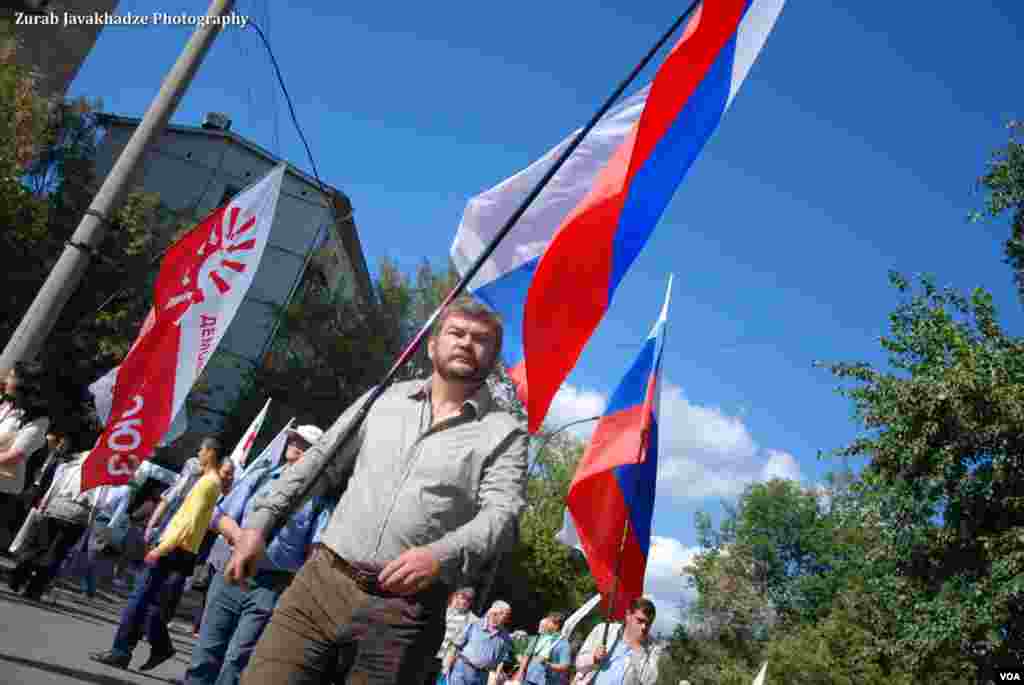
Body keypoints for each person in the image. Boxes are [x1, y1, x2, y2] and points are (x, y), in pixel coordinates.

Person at [225, 296, 529, 684]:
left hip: (404, 615)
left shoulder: (504, 433)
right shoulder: (384, 398)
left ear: (493, 357)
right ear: (433, 344)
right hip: (320, 587)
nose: (467, 343)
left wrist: (439, 555)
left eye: (481, 339)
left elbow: (502, 516)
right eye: (456, 332)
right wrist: (259, 525)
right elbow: (319, 463)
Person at [184, 424, 325, 685]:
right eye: (293, 438)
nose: (294, 443)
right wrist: (245, 541)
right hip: (231, 571)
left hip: (272, 586)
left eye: (303, 442)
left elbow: (315, 551)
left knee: (238, 660)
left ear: (317, 454)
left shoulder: (320, 498)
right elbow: (219, 516)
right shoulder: (262, 477)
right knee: (205, 652)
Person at [89, 437, 226, 672]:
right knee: (150, 604)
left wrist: (161, 548)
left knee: (139, 599)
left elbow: (187, 522)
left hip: (174, 548)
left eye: (201, 449)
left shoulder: (208, 483)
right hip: (182, 549)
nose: (198, 453)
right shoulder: (209, 481)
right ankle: (154, 647)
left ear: (211, 453)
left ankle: (121, 651)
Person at [8, 450, 107, 599]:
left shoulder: (68, 468)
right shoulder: (101, 476)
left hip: (56, 507)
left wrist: (44, 506)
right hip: (78, 515)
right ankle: (35, 589)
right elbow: (98, 502)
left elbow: (54, 487)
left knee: (39, 546)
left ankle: (18, 575)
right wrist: (90, 523)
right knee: (57, 554)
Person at [0, 361, 54, 547]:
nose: (7, 378)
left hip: (3, 486)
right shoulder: (6, 406)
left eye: (11, 375)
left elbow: (16, 455)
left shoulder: (39, 420)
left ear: (23, 384)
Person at [573, 598, 662, 685]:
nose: (644, 627)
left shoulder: (653, 648)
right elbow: (578, 663)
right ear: (628, 615)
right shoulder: (603, 630)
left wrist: (637, 647)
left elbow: (649, 681)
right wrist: (593, 658)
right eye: (640, 621)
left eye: (648, 623)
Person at [444, 600, 514, 685]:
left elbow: (500, 661)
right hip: (462, 670)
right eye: (505, 615)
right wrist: (447, 667)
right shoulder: (474, 624)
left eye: (507, 616)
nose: (506, 619)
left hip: (482, 676)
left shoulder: (506, 638)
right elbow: (455, 646)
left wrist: (497, 677)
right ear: (494, 613)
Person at [429, 587, 481, 683]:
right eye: (462, 598)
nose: (463, 601)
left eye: (467, 600)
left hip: (448, 661)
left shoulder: (474, 621)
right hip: (431, 654)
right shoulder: (444, 610)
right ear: (456, 597)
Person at [516, 613, 572, 685]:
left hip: (547, 682)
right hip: (528, 678)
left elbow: (565, 666)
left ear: (556, 626)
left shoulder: (563, 643)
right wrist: (520, 673)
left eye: (549, 622)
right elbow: (527, 655)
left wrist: (548, 665)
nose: (546, 623)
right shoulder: (539, 637)